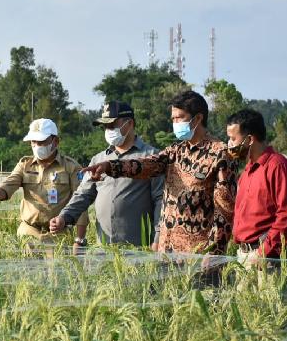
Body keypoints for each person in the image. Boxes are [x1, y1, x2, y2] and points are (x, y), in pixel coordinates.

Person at [81, 90, 237, 256]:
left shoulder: (220, 154)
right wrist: (109, 167)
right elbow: (147, 164)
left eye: (180, 117)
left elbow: (224, 211)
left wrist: (214, 252)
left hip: (197, 255)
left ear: (198, 118)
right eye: (173, 118)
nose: (175, 123)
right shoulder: (175, 151)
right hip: (167, 253)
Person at [49, 101, 164, 248]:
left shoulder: (151, 157)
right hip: (104, 247)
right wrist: (64, 217)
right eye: (105, 126)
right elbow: (83, 194)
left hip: (139, 247)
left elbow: (160, 200)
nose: (108, 130)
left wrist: (158, 238)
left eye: (112, 125)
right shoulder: (98, 159)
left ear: (129, 124)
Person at [0, 118, 88, 243]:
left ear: (55, 141)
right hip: (28, 232)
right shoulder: (25, 164)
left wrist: (79, 240)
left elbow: (81, 203)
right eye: (33, 142)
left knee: (59, 263)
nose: (36, 146)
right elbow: (9, 184)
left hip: (59, 233)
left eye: (41, 142)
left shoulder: (71, 167)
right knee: (26, 262)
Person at [225, 109, 287, 269]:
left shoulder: (278, 167)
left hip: (270, 259)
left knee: (272, 295)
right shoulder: (247, 171)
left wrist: (264, 252)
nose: (229, 144)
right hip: (245, 256)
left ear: (250, 139)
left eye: (233, 139)